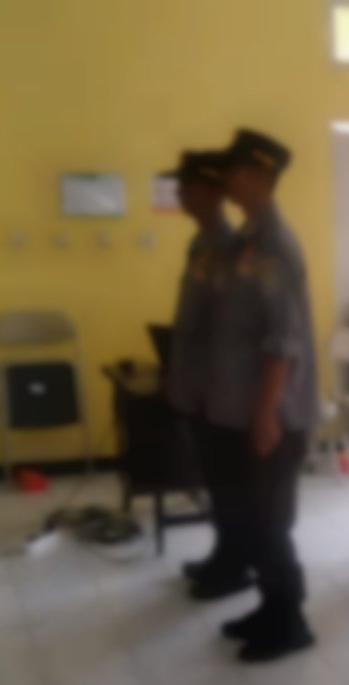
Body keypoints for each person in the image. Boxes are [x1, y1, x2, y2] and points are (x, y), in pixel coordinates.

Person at [208, 128, 320, 663]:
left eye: (233, 170)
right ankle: (269, 606)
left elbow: (283, 340)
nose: (225, 179)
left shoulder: (274, 244)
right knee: (253, 518)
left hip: (274, 414)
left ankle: (290, 620)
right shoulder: (248, 239)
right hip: (249, 409)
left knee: (270, 522)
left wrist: (264, 413)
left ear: (257, 177)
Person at [161, 149, 248, 600]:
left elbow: (229, 328)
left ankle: (236, 566)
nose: (179, 193)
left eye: (187, 185)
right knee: (215, 481)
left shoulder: (229, 246)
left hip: (221, 388)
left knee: (230, 484)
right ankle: (222, 554)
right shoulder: (201, 242)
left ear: (211, 191)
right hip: (199, 383)